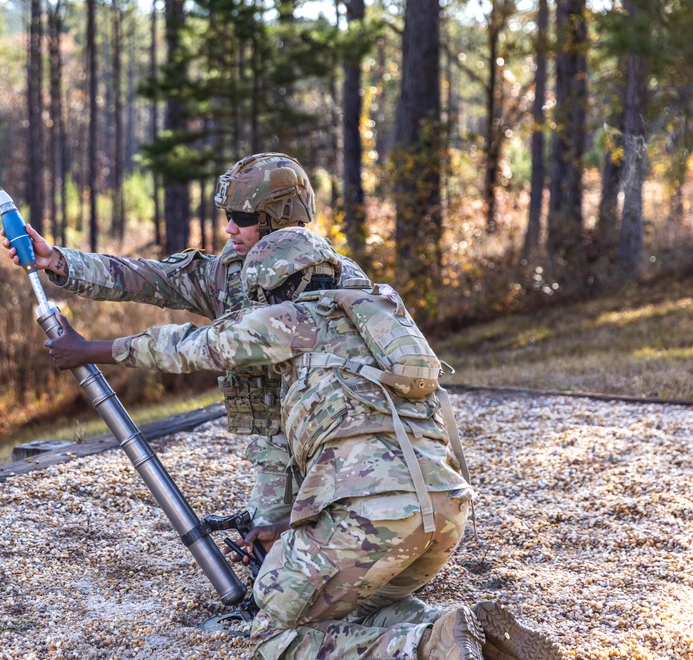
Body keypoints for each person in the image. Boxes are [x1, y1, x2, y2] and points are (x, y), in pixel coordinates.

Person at [42, 228, 563, 660]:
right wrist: (293, 529)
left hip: (368, 515)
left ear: (274, 285)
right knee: (351, 610)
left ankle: (426, 645)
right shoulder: (381, 317)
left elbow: (193, 346)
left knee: (270, 637)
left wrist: (90, 348)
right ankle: (473, 632)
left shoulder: (292, 319)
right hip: (445, 514)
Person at [4, 152, 368, 532]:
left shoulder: (339, 281)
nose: (229, 229)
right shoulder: (230, 277)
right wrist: (60, 262)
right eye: (227, 216)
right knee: (271, 559)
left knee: (337, 562)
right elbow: (150, 278)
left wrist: (93, 349)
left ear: (278, 218)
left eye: (242, 219)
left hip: (342, 441)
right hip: (277, 450)